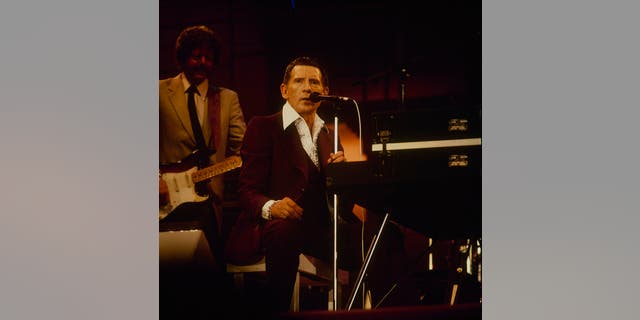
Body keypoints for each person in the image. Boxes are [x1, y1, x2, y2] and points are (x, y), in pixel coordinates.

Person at [226, 56, 405, 316]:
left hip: (321, 230)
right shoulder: (264, 127)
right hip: (278, 228)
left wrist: (341, 176)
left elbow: (342, 208)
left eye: (314, 82)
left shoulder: (330, 135)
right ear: (284, 90)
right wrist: (272, 206)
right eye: (299, 81)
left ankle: (383, 311)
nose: (308, 88)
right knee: (284, 231)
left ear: (325, 92)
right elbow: (247, 191)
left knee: (388, 235)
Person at [159, 25, 246, 319]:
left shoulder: (227, 99)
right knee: (167, 277)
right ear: (182, 58)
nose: (203, 63)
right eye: (196, 56)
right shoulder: (157, 92)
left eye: (209, 58)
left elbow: (242, 147)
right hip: (163, 200)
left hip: (209, 200)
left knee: (208, 277)